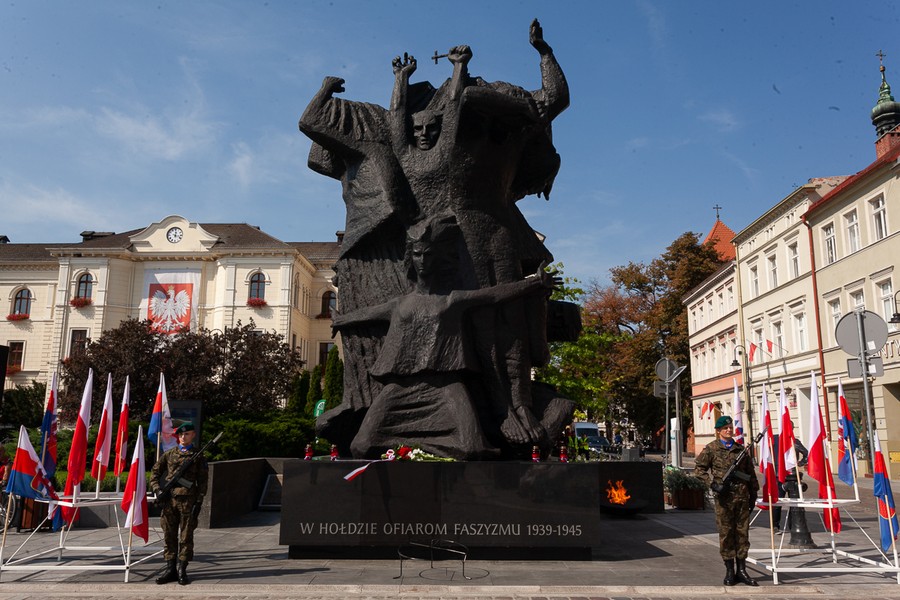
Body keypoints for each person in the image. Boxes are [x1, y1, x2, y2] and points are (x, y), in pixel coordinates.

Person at [693, 415, 760, 587]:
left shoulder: (740, 450)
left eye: (730, 427)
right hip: (724, 500)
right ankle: (730, 571)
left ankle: (742, 570)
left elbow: (750, 474)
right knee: (726, 535)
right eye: (725, 428)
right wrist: (713, 484)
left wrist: (753, 496)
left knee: (743, 535)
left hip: (742, 499)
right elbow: (699, 470)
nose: (729, 430)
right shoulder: (711, 449)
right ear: (718, 431)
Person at [150, 422, 209, 586]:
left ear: (193, 435)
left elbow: (203, 481)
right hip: (169, 502)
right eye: (181, 435)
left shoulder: (198, 456)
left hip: (188, 502)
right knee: (169, 536)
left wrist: (199, 500)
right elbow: (155, 473)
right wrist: (157, 490)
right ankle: (170, 570)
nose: (183, 437)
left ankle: (182, 569)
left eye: (187, 434)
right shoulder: (169, 455)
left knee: (185, 537)